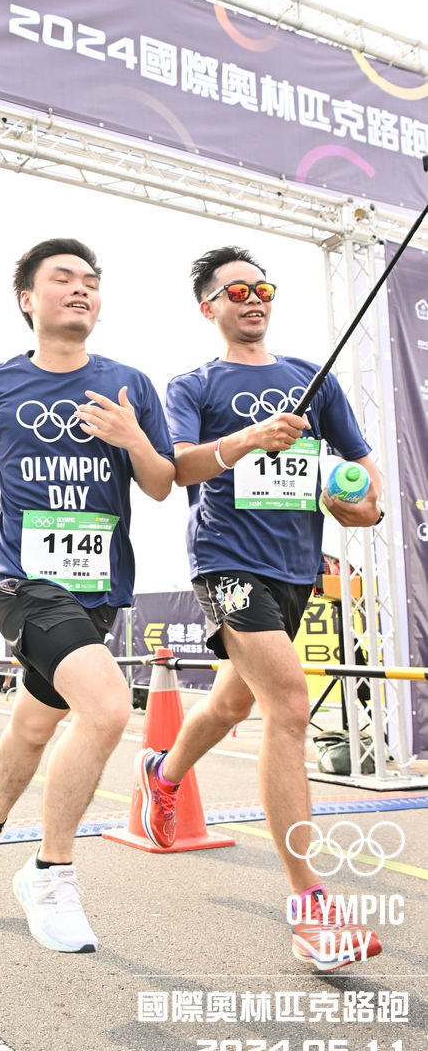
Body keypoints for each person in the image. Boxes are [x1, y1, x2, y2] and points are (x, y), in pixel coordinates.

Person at [146, 244, 385, 972]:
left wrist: (359, 504)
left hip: (294, 569)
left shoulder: (314, 379)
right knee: (288, 703)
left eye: (263, 288)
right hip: (226, 560)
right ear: (208, 307)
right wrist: (250, 438)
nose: (253, 299)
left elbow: (363, 483)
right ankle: (310, 906)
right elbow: (176, 467)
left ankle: (162, 772)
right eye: (237, 290)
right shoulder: (192, 384)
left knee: (231, 703)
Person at [0, 238, 174, 953]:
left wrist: (132, 437)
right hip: (20, 578)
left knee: (38, 723)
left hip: (97, 586)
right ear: (27, 299)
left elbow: (160, 483)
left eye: (90, 282)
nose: (80, 289)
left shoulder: (128, 383)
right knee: (106, 709)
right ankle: (50, 873)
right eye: (63, 278)